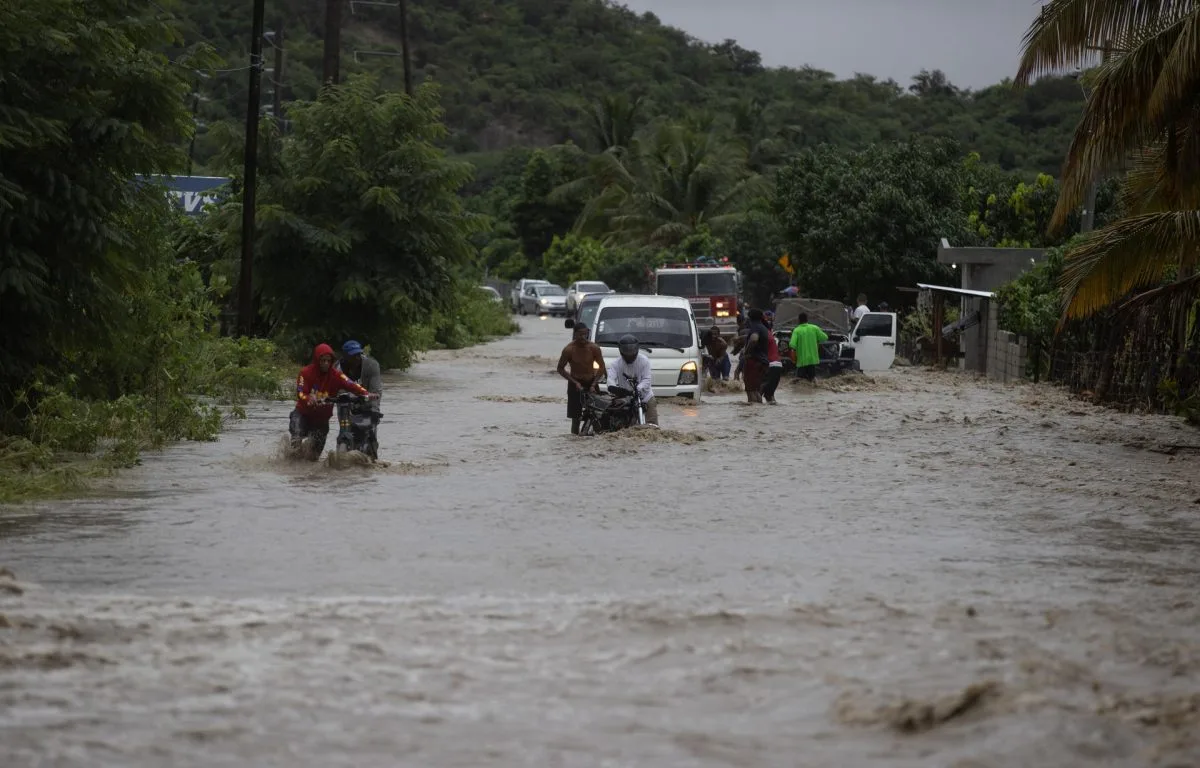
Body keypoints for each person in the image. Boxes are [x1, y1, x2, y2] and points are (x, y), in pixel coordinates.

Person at [290, 343, 375, 459]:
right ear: (316, 360)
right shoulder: (305, 373)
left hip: (321, 421)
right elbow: (300, 393)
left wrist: (366, 393)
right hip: (303, 415)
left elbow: (351, 384)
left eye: (328, 361)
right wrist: (308, 398)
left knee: (314, 457)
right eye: (323, 360)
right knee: (296, 443)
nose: (326, 363)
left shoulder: (336, 375)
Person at [557, 324, 606, 434]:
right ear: (575, 334)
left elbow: (602, 367)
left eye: (585, 334)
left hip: (591, 382)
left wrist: (594, 384)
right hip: (575, 384)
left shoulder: (594, 348)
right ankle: (574, 440)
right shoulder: (569, 349)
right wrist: (574, 382)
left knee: (598, 415)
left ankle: (600, 437)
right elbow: (560, 369)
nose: (583, 337)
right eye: (580, 335)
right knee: (576, 419)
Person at [605, 334, 658, 426]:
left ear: (637, 349)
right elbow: (610, 379)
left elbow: (647, 379)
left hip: (645, 396)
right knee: (623, 425)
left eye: (632, 351)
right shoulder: (616, 364)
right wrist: (615, 388)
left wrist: (638, 389)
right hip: (626, 398)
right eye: (627, 352)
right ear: (621, 351)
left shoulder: (644, 361)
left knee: (653, 425)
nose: (630, 354)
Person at [335, 340, 382, 411]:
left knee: (373, 412)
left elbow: (375, 391)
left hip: (367, 399)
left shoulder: (371, 365)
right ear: (345, 356)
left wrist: (375, 409)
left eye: (358, 354)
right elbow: (337, 392)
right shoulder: (336, 369)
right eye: (353, 355)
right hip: (345, 401)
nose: (357, 358)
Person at [741, 308, 771, 404]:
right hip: (763, 362)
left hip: (754, 361)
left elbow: (754, 339)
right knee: (755, 390)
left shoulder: (755, 327)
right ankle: (758, 414)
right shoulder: (763, 327)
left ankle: (753, 414)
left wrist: (746, 352)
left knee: (751, 390)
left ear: (750, 318)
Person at [789, 312, 828, 382]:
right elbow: (825, 337)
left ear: (799, 320)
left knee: (799, 381)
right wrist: (817, 339)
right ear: (807, 319)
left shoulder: (797, 330)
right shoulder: (814, 328)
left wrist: (793, 359)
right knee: (812, 380)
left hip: (802, 361)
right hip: (812, 360)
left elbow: (792, 345)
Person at [761, 310, 783, 404]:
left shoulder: (764, 335)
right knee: (770, 396)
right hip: (778, 365)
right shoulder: (773, 336)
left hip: (770, 365)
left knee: (759, 392)